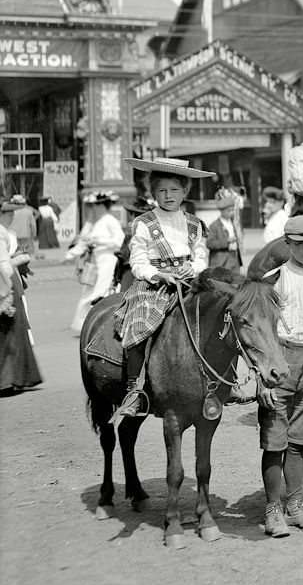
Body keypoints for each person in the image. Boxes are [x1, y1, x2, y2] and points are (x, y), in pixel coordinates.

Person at [112, 157, 216, 423]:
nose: (168, 196)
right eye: (161, 190)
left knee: (220, 315)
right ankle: (134, 390)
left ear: (185, 191)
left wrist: (192, 269)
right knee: (140, 324)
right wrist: (158, 274)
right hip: (154, 286)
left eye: (174, 190)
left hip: (189, 282)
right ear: (152, 192)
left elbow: (202, 257)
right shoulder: (144, 223)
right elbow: (137, 262)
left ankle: (221, 381)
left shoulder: (195, 224)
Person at [258, 214, 303, 537]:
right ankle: (273, 510)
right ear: (287, 243)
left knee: (301, 440)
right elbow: (260, 333)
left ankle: (296, 506)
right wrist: (262, 378)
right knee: (275, 441)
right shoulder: (274, 280)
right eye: (299, 243)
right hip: (279, 361)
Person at [66, 191, 125, 336]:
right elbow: (85, 241)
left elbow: (119, 241)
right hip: (95, 261)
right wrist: (71, 254)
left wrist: (99, 242)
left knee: (101, 290)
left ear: (103, 206)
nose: (94, 208)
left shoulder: (111, 220)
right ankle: (88, 323)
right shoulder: (97, 222)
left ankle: (103, 321)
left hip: (108, 261)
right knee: (89, 290)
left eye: (97, 205)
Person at [0, 214, 42, 395]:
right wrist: (8, 290)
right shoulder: (1, 231)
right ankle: (8, 379)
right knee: (11, 331)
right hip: (3, 283)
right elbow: (3, 263)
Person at [206, 190, 243, 271]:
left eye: (233, 210)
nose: (232, 212)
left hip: (235, 258)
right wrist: (227, 241)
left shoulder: (234, 223)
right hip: (221, 261)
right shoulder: (214, 225)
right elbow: (209, 244)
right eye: (229, 210)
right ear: (222, 211)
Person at [8, 194, 39, 259]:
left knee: (14, 252)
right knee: (25, 252)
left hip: (13, 235)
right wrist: (33, 233)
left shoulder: (10, 212)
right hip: (25, 234)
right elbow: (33, 225)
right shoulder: (28, 211)